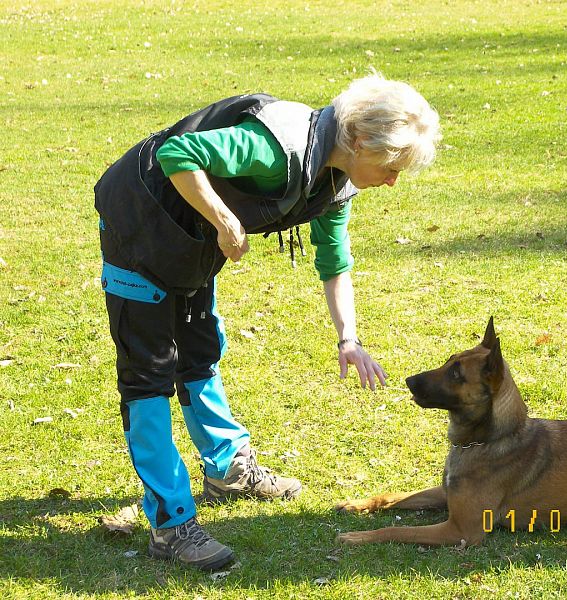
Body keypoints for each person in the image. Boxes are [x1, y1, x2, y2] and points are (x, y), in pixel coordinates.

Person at [94, 74, 440, 571]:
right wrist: (225, 220)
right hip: (139, 225)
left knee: (200, 351)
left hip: (190, 241)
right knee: (148, 376)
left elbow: (334, 261)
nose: (392, 180)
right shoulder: (273, 147)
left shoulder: (334, 181)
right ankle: (171, 525)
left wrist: (349, 338)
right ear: (360, 140)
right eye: (391, 165)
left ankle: (227, 470)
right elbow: (177, 154)